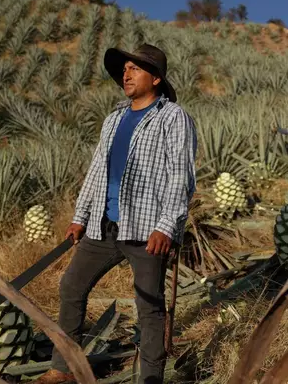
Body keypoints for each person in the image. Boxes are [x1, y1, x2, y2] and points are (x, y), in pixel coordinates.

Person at [32, 44, 197, 384]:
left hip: (148, 231)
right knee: (71, 287)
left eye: (135, 69)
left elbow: (181, 175)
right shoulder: (114, 119)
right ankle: (64, 368)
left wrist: (167, 227)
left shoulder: (172, 118)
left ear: (155, 78)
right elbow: (97, 172)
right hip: (103, 226)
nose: (126, 74)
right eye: (124, 69)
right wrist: (80, 216)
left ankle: (150, 378)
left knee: (149, 307)